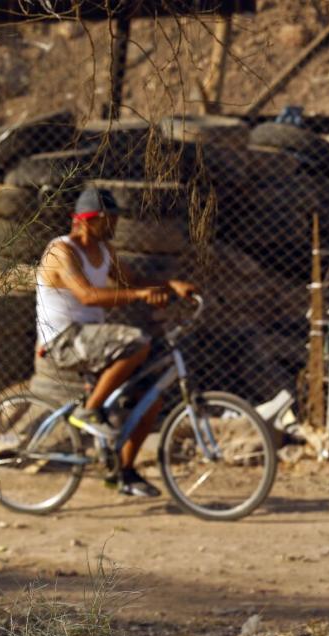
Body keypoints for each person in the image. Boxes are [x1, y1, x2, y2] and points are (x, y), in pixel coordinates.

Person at [35, 186, 198, 497]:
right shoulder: (61, 251)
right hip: (64, 339)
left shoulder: (105, 252)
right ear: (87, 220)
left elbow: (132, 281)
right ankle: (90, 411)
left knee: (151, 397)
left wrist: (169, 286)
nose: (115, 226)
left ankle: (123, 473)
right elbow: (87, 295)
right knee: (136, 340)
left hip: (93, 341)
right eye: (108, 220)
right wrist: (140, 295)